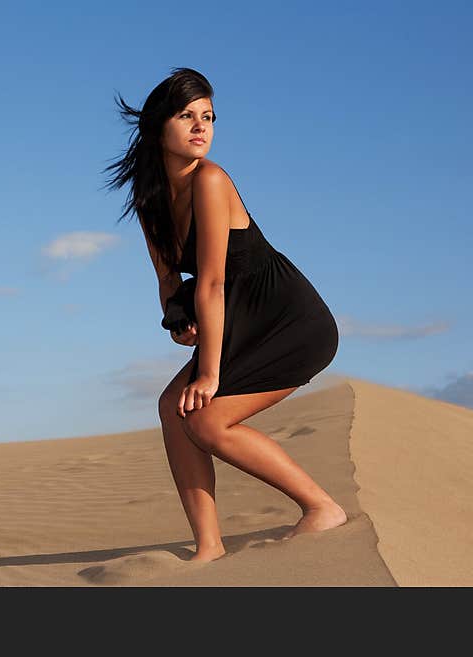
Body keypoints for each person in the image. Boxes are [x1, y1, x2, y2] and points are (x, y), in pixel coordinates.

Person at [102, 67, 347, 562]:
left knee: (208, 420)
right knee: (175, 410)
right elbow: (170, 279)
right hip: (238, 319)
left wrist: (210, 373)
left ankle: (321, 508)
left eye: (208, 116)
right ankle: (209, 547)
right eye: (187, 115)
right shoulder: (151, 197)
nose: (201, 127)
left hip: (288, 320)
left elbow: (211, 282)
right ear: (157, 127)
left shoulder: (211, 181)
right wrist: (177, 322)